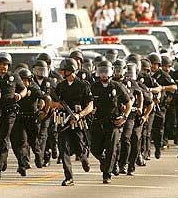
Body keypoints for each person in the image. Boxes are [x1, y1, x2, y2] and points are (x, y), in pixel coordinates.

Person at [90, 60, 132, 184]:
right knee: (94, 148)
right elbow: (88, 102)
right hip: (98, 122)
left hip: (113, 123)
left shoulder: (117, 86)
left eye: (106, 72)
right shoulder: (94, 87)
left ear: (111, 72)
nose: (103, 74)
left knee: (111, 149)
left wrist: (124, 117)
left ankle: (107, 174)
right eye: (101, 72)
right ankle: (104, 160)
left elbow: (128, 102)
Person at [53, 58, 93, 186]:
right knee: (63, 148)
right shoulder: (60, 86)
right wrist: (56, 105)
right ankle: (68, 177)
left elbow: (90, 105)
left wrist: (80, 114)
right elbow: (52, 102)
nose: (61, 72)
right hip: (64, 121)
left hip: (78, 121)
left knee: (79, 146)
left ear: (70, 70)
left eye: (63, 70)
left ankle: (84, 157)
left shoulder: (83, 85)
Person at [0, 52, 27, 180]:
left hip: (10, 112)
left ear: (9, 65)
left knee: (4, 138)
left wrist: (20, 95)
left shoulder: (14, 77)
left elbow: (24, 89)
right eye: (0, 64)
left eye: (5, 64)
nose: (3, 67)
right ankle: (3, 158)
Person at [113, 60, 153, 176]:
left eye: (119, 70)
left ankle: (129, 165)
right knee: (115, 141)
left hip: (131, 116)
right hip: (116, 115)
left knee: (130, 138)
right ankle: (118, 163)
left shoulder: (130, 83)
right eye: (115, 69)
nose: (117, 72)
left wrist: (141, 109)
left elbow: (141, 95)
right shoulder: (110, 83)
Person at [11, 68, 50, 176]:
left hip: (32, 119)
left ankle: (38, 156)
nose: (23, 83)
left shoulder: (34, 88)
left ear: (29, 80)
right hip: (20, 119)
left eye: (25, 80)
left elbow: (47, 98)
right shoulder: (15, 90)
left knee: (34, 141)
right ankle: (23, 164)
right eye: (21, 80)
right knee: (22, 142)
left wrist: (44, 112)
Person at [148, 53, 177, 159]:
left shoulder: (163, 74)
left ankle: (158, 147)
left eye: (155, 64)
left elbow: (174, 87)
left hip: (160, 106)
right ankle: (146, 151)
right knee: (147, 129)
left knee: (158, 128)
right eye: (152, 64)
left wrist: (163, 88)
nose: (153, 66)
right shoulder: (145, 74)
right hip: (148, 106)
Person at [32, 60, 56, 167]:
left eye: (43, 70)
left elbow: (56, 96)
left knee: (43, 134)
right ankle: (39, 154)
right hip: (34, 112)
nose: (41, 73)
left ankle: (43, 156)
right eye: (38, 70)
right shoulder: (31, 81)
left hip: (48, 114)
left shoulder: (50, 82)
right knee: (35, 134)